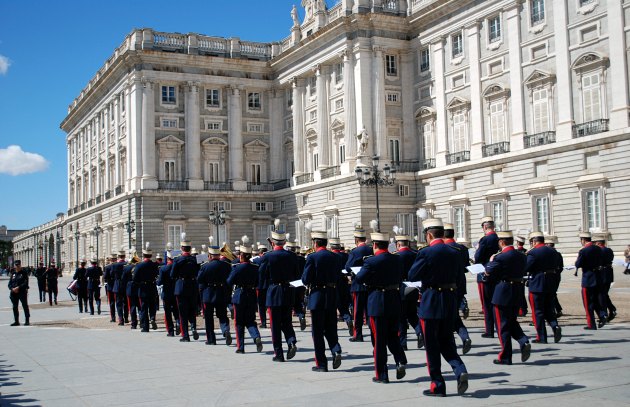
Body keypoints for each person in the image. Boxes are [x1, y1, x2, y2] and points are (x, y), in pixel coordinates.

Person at [409, 218, 468, 397]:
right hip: (449, 301)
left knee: (432, 345)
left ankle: (437, 384)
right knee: (447, 340)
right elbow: (460, 278)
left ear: (428, 234)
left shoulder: (426, 252)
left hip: (431, 301)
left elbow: (412, 275)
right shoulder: (455, 251)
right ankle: (460, 369)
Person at [354, 231, 407, 384]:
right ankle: (400, 360)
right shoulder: (397, 259)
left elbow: (359, 278)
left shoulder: (371, 262)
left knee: (379, 340)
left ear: (375, 245)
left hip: (377, 302)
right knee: (393, 336)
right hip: (394, 300)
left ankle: (382, 374)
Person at [484, 231, 531, 365]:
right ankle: (523, 341)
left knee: (502, 326)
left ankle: (505, 356)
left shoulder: (500, 257)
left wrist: (491, 261)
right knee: (511, 321)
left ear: (501, 242)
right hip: (516, 291)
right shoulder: (521, 255)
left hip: (502, 292)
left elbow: (489, 271)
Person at [302, 231, 342, 372]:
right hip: (331, 294)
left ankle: (322, 364)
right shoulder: (335, 257)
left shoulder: (312, 257)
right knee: (331, 327)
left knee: (317, 331)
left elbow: (306, 279)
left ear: (315, 242)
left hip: (317, 296)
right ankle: (336, 349)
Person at [259, 229, 298, 362]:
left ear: (273, 242)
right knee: (287, 321)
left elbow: (262, 275)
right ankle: (291, 341)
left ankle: (279, 353)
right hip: (288, 290)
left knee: (275, 325)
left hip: (274, 291)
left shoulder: (267, 256)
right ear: (285, 241)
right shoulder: (292, 256)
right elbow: (297, 274)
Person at [525, 232, 562, 344]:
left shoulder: (533, 252)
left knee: (538, 311)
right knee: (549, 309)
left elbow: (526, 267)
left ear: (534, 241)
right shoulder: (553, 251)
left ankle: (541, 336)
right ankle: (555, 326)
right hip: (551, 283)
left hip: (537, 283)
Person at [227, 245, 263, 353]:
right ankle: (256, 337)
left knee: (239, 323)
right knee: (250, 320)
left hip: (239, 296)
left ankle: (241, 347)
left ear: (241, 256)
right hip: (251, 295)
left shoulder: (236, 267)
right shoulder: (255, 267)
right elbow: (258, 282)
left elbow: (229, 281)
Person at [443, 223, 472, 354]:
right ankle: (464, 337)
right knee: (453, 315)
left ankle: (453, 342)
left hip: (447, 285)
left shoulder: (444, 248)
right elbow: (466, 267)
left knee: (449, 316)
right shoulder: (462, 248)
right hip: (460, 284)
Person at [197, 245, 232, 345]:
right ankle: (226, 331)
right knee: (223, 315)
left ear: (210, 255)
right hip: (221, 292)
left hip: (208, 293)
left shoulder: (205, 266)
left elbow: (199, 279)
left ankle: (211, 339)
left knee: (208, 318)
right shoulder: (226, 265)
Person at [395, 232, 424, 351]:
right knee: (412, 314)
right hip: (414, 287)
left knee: (401, 317)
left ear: (398, 244)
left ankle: (403, 343)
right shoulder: (416, 254)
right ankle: (419, 332)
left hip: (401, 288)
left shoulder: (396, 256)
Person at [171, 234, 200, 342]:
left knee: (182, 313)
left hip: (181, 287)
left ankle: (186, 336)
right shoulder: (195, 259)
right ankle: (193, 327)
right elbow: (198, 272)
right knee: (192, 310)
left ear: (182, 248)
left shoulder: (177, 260)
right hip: (192, 286)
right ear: (190, 248)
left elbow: (172, 275)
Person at [346, 227, 373, 342]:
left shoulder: (354, 251)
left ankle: (358, 334)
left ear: (356, 240)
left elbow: (348, 267)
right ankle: (373, 331)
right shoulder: (371, 250)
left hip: (358, 284)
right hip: (370, 284)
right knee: (369, 311)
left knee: (357, 311)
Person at [474, 216, 499, 338]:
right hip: (496, 273)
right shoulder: (498, 238)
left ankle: (489, 330)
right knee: (496, 302)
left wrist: (477, 249)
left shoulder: (485, 239)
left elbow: (478, 257)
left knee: (487, 304)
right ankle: (499, 327)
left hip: (484, 273)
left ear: (484, 227)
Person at [575, 232, 605, 330]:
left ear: (583, 240)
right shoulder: (598, 249)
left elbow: (578, 264)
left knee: (588, 303)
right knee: (596, 299)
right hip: (598, 276)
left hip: (588, 278)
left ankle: (591, 324)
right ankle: (602, 315)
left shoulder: (584, 251)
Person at [133, 244, 159, 332]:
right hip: (152, 286)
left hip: (143, 287)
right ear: (151, 255)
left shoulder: (139, 265)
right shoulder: (155, 265)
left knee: (144, 308)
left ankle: (145, 327)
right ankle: (152, 318)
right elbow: (157, 275)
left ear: (143, 255)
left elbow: (135, 278)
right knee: (152, 305)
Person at [330, 238, 352, 336]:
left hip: (334, 284)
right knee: (344, 305)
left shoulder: (331, 256)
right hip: (344, 282)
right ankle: (348, 319)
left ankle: (333, 327)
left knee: (333, 306)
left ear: (331, 247)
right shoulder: (346, 255)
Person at [593, 234, 617, 322]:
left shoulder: (600, 251)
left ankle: (605, 314)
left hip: (602, 274)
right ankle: (611, 309)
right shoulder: (609, 250)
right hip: (609, 273)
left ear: (599, 243)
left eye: (595, 243)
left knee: (601, 295)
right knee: (604, 293)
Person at [157, 252, 179, 336]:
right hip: (175, 292)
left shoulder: (163, 268)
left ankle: (171, 331)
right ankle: (178, 323)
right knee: (176, 310)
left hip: (166, 293)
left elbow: (159, 282)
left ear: (168, 258)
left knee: (168, 313)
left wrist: (157, 281)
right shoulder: (177, 268)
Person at [9, 260, 30, 326]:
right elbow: (10, 283)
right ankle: (16, 321)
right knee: (15, 307)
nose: (17, 266)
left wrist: (18, 288)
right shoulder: (13, 273)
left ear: (20, 265)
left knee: (25, 306)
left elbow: (25, 283)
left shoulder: (24, 273)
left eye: (18, 265)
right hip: (14, 293)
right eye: (16, 265)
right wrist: (12, 288)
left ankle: (27, 320)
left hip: (22, 292)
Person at [111, 249, 129, 325]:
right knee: (126, 302)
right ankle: (126, 318)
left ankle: (121, 319)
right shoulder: (127, 264)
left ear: (118, 257)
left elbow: (111, 274)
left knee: (118, 303)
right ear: (124, 256)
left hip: (118, 284)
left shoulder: (114, 265)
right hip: (126, 285)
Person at [253, 244, 269, 328]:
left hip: (260, 286)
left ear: (260, 253)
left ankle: (264, 323)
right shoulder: (271, 259)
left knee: (261, 306)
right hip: (270, 285)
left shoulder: (256, 261)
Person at [123, 254, 140, 329]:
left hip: (130, 288)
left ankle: (134, 323)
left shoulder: (126, 268)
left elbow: (123, 278)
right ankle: (142, 322)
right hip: (138, 288)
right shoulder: (139, 267)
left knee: (132, 307)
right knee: (140, 306)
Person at [103, 254, 117, 322]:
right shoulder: (120, 266)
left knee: (112, 303)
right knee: (120, 302)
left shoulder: (108, 267)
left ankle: (113, 317)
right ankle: (123, 317)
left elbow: (105, 277)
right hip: (118, 286)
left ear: (111, 259)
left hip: (111, 286)